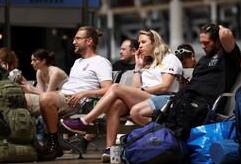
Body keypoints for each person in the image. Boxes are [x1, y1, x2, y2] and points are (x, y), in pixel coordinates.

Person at [61, 29, 183, 162]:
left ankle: (85, 121)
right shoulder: (147, 62)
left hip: (165, 99)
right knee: (116, 105)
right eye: (139, 42)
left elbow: (164, 86)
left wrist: (143, 91)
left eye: (143, 42)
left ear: (155, 43)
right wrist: (137, 67)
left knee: (115, 87)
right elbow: (136, 87)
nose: (140, 45)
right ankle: (110, 149)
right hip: (148, 98)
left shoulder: (169, 58)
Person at [37, 26, 112, 160]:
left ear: (89, 41)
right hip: (64, 96)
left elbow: (108, 89)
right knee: (22, 99)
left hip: (79, 102)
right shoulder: (78, 62)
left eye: (77, 38)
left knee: (45, 98)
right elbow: (69, 87)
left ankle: (53, 144)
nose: (73, 42)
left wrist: (84, 93)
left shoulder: (101, 62)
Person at [164, 23, 241, 138]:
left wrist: (217, 27)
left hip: (207, 104)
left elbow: (226, 34)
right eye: (201, 43)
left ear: (218, 42)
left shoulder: (227, 57)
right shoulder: (203, 60)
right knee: (168, 112)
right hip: (189, 99)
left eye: (206, 43)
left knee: (180, 122)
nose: (202, 46)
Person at [18, 49, 68, 116]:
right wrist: (26, 83)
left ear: (43, 61)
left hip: (65, 98)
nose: (31, 63)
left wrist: (30, 90)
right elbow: (40, 92)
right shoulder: (39, 72)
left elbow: (48, 95)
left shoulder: (55, 72)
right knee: (24, 97)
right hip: (52, 96)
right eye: (32, 60)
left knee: (29, 99)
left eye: (35, 60)